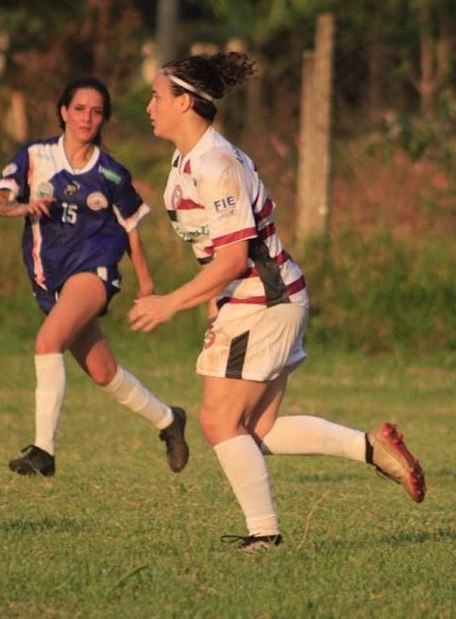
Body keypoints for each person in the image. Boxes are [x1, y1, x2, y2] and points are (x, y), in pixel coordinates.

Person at [129, 53, 426, 552]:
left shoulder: (216, 163)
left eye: (157, 97)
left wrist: (169, 304)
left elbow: (232, 259)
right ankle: (370, 447)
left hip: (261, 300)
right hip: (259, 299)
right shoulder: (188, 159)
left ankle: (263, 536)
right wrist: (210, 303)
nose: (149, 106)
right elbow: (218, 256)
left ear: (184, 101)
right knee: (257, 428)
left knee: (219, 423)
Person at [0, 75, 189, 478]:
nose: (87, 118)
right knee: (103, 373)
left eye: (96, 112)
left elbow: (132, 230)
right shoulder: (35, 156)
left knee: (47, 342)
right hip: (50, 279)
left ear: (104, 119)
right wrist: (20, 209)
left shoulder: (112, 174)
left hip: (94, 271)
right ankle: (169, 421)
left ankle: (43, 452)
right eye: (79, 109)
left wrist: (146, 285)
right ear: (63, 112)